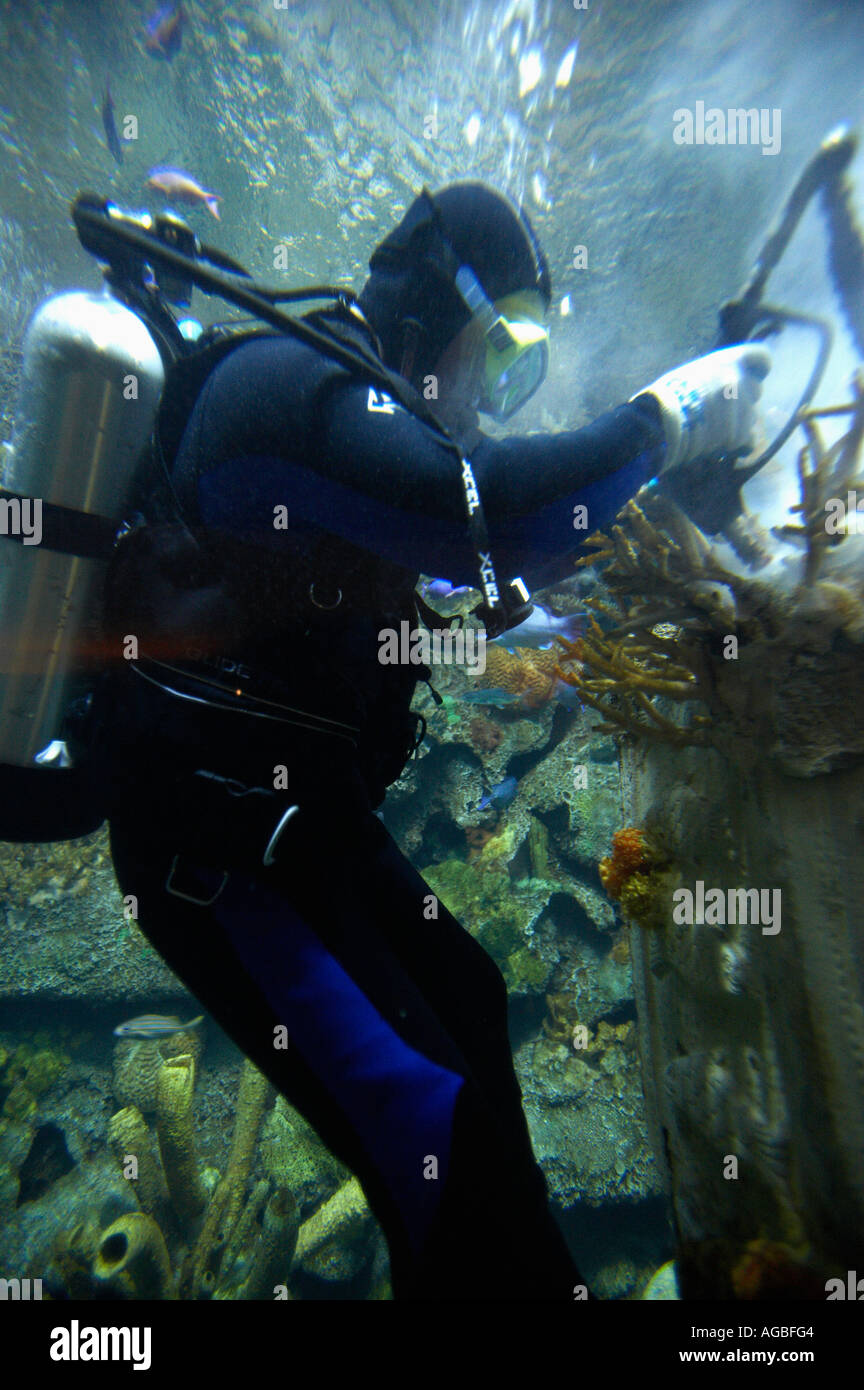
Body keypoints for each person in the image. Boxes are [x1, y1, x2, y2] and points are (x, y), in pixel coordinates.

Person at [100, 182, 770, 1301]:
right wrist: (676, 413)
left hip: (302, 825)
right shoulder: (285, 388)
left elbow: (482, 554)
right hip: (215, 850)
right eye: (502, 348)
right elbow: (493, 512)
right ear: (436, 310)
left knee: (465, 995)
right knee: (436, 1126)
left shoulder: (359, 427)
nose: (496, 393)